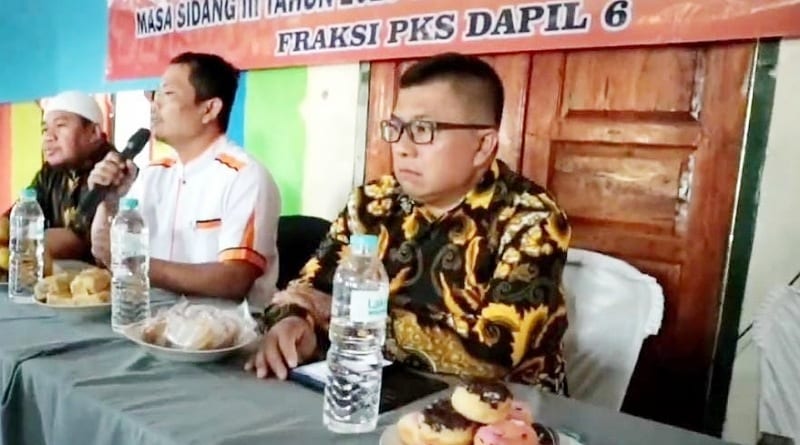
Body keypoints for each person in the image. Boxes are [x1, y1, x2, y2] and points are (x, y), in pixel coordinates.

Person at [245, 53, 572, 394]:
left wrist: (347, 316)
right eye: (397, 128)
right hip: (371, 389)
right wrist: (293, 322)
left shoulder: (531, 219)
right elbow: (306, 289)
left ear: (482, 145)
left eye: (422, 130)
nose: (402, 148)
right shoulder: (373, 202)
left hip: (500, 408)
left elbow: (494, 352)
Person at [87, 52, 281, 307]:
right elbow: (104, 255)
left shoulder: (244, 176)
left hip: (227, 325)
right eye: (155, 94)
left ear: (209, 109)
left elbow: (234, 280)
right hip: (153, 318)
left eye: (168, 94)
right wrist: (108, 202)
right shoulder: (153, 174)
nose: (154, 104)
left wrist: (136, 264)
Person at [2, 91, 114, 261]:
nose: (49, 137)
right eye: (45, 129)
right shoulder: (50, 172)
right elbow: (17, 217)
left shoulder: (112, 171)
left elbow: (77, 240)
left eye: (60, 125)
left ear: (93, 132)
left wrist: (21, 247)